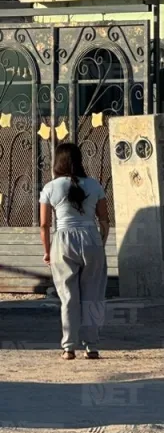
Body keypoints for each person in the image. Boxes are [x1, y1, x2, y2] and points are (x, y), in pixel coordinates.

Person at [40, 143, 110, 361]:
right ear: (80, 161)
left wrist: (47, 251)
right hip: (91, 238)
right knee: (93, 294)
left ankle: (69, 347)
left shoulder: (50, 188)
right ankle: (92, 346)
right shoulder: (95, 185)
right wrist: (101, 242)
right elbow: (105, 220)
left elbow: (44, 224)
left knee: (68, 296)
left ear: (57, 162)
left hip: (63, 239)